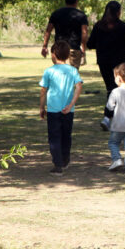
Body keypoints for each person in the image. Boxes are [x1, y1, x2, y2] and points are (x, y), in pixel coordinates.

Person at [86, 1, 125, 131]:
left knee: (111, 88)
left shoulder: (98, 27)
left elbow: (90, 44)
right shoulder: (123, 27)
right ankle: (109, 117)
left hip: (104, 62)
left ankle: (111, 117)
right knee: (119, 89)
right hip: (121, 63)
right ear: (118, 12)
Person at [39, 40, 83, 175]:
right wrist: (71, 105)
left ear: (53, 54)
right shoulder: (73, 70)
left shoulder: (49, 71)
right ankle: (65, 159)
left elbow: (43, 91)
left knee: (54, 137)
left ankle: (58, 165)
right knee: (66, 135)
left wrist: (42, 107)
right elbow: (79, 86)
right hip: (68, 110)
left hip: (53, 110)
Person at [41, 0, 89, 69]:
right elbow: (84, 34)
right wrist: (83, 49)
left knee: (60, 74)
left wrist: (44, 46)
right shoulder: (81, 15)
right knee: (72, 76)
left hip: (58, 49)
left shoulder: (56, 13)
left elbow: (48, 31)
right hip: (73, 49)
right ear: (76, 1)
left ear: (65, 0)